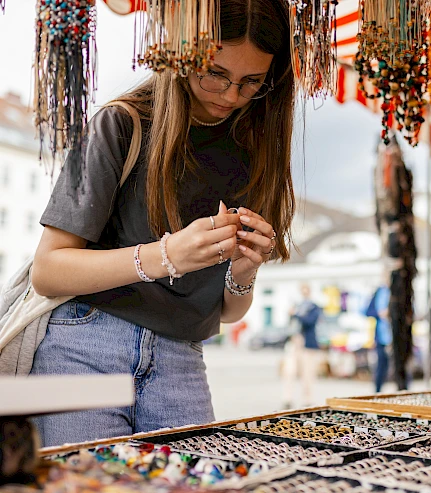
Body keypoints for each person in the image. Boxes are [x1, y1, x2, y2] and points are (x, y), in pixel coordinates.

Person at [29, 0, 295, 447]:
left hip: (182, 360)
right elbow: (48, 270)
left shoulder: (253, 150)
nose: (230, 95)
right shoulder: (120, 124)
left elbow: (227, 312)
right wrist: (165, 256)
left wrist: (244, 274)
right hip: (83, 349)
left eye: (252, 82)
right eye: (215, 73)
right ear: (184, 52)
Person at [283, 284, 322, 409]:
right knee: (289, 372)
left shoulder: (314, 307)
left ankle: (307, 399)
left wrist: (296, 314)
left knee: (308, 374)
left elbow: (310, 322)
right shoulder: (297, 306)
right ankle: (287, 398)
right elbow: (290, 325)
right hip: (294, 343)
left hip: (308, 345)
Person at [366, 285, 392, 393]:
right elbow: (368, 311)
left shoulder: (399, 291)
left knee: (401, 369)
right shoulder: (378, 292)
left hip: (397, 337)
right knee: (381, 367)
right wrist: (379, 313)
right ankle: (377, 392)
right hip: (381, 338)